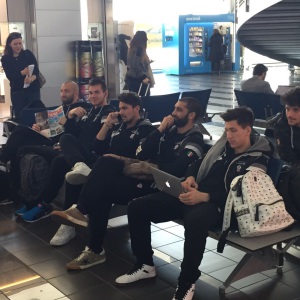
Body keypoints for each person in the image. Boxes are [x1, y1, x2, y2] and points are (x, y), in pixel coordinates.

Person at [115, 107, 273, 300]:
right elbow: (198, 163)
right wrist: (190, 177)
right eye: (226, 130)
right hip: (194, 194)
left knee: (195, 222)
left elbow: (246, 193)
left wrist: (205, 196)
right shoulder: (223, 147)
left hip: (222, 204)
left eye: (233, 130)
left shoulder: (258, 158)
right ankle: (144, 265)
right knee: (137, 207)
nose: (228, 135)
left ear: (248, 130)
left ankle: (186, 282)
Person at [51, 97, 205, 270]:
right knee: (103, 182)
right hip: (146, 177)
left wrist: (149, 168)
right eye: (174, 109)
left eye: (178, 110)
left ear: (191, 115)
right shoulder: (169, 130)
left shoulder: (194, 139)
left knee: (105, 171)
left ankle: (80, 211)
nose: (172, 113)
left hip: (162, 186)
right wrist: (161, 129)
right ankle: (94, 249)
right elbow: (142, 153)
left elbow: (178, 169)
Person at [49, 92, 156, 245]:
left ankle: (73, 219)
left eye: (125, 108)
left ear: (137, 108)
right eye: (120, 108)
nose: (121, 112)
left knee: (89, 173)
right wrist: (107, 125)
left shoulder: (146, 129)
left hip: (119, 168)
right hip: (103, 161)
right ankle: (79, 166)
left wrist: (116, 158)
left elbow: (141, 159)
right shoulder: (119, 125)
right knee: (67, 140)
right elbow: (97, 146)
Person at [18, 78, 115, 223]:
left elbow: (100, 143)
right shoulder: (87, 112)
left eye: (97, 92)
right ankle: (44, 205)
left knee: (65, 142)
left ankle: (78, 166)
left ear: (105, 93)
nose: (93, 96)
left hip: (91, 154)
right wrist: (70, 116)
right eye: (90, 93)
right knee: (58, 160)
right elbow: (72, 132)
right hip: (74, 150)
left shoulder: (108, 113)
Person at [1, 32, 44, 121]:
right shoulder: (6, 59)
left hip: (33, 90)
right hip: (18, 92)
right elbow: (10, 76)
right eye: (15, 44)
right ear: (10, 44)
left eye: (20, 43)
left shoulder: (28, 54)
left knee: (36, 115)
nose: (18, 46)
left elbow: (36, 71)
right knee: (21, 116)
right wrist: (22, 73)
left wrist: (31, 79)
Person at [274, 86, 300, 164]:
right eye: (287, 109)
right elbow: (288, 160)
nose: (289, 115)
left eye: (295, 110)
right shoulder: (282, 128)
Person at [125, 31, 154, 96]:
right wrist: (144, 77)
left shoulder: (132, 48)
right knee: (144, 98)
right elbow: (136, 65)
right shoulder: (139, 50)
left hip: (131, 77)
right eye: (145, 37)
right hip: (138, 79)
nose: (147, 39)